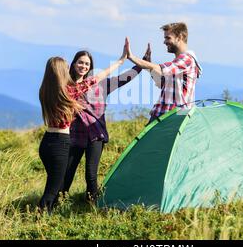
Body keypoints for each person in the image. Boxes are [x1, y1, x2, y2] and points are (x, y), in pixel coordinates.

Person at [37, 43, 128, 214]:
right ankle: (40, 220)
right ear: (61, 72)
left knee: (54, 184)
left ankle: (47, 213)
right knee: (52, 190)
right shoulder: (70, 91)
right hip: (60, 144)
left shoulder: (44, 91)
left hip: (46, 143)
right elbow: (98, 77)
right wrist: (120, 61)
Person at [63, 46, 151, 204]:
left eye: (87, 64)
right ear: (74, 64)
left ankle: (92, 206)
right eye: (80, 63)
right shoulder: (67, 87)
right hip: (75, 135)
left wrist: (141, 64)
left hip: (95, 134)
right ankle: (58, 201)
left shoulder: (99, 85)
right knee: (68, 171)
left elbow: (124, 79)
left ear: (90, 67)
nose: (83, 66)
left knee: (91, 173)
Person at [125, 22, 202, 124]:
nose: (164, 42)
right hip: (164, 116)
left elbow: (161, 69)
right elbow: (163, 83)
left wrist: (132, 57)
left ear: (179, 37)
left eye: (168, 38)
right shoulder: (178, 63)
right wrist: (148, 65)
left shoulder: (186, 59)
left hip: (172, 118)